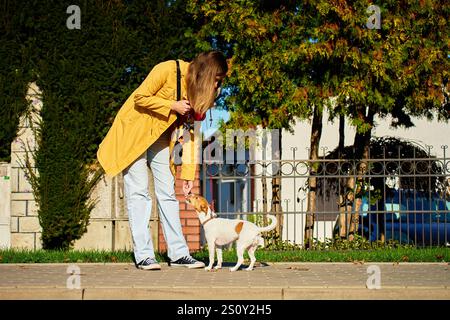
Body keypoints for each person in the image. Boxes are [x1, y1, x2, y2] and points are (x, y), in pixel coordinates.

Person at [97, 51, 228, 270]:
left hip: (161, 139)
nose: (217, 86)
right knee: (138, 192)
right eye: (216, 79)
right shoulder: (168, 69)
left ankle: (178, 254)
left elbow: (191, 136)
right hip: (135, 134)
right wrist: (172, 105)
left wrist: (187, 174)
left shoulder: (196, 92)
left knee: (167, 193)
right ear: (207, 73)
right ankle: (144, 255)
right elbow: (140, 98)